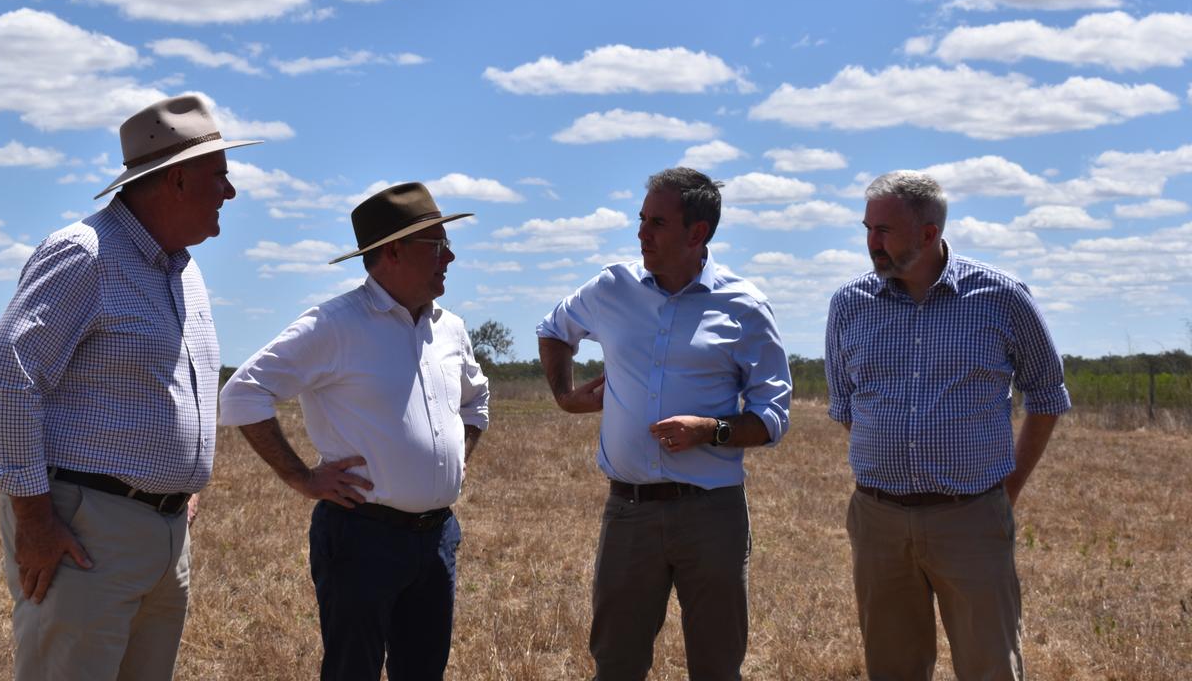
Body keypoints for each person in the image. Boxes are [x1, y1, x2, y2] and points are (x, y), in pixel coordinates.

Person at [0, 94, 261, 680]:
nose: (229, 192)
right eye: (220, 176)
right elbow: (5, 378)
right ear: (177, 180)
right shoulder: (86, 255)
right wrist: (34, 522)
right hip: (84, 532)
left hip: (164, 533)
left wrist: (179, 484)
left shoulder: (184, 270)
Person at [219, 182, 489, 681]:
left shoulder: (449, 327)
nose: (449, 256)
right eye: (436, 245)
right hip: (362, 537)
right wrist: (303, 478)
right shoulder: (334, 324)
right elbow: (242, 393)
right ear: (392, 252)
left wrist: (459, 455)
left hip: (436, 538)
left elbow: (477, 400)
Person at [536, 167, 792, 681]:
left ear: (697, 234)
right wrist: (565, 396)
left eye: (657, 222)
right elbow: (554, 329)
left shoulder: (744, 306)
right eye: (641, 219)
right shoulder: (613, 286)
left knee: (717, 666)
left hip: (712, 515)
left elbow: (773, 415)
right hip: (629, 511)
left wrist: (709, 430)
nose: (641, 233)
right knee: (616, 663)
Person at [824, 170, 1072, 681]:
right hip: (878, 521)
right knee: (892, 668)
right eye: (867, 229)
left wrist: (1008, 488)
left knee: (989, 667)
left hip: (972, 518)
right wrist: (898, 465)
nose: (872, 243)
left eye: (885, 231)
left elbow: (1047, 394)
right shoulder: (849, 304)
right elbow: (846, 407)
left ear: (929, 233)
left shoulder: (1001, 297)